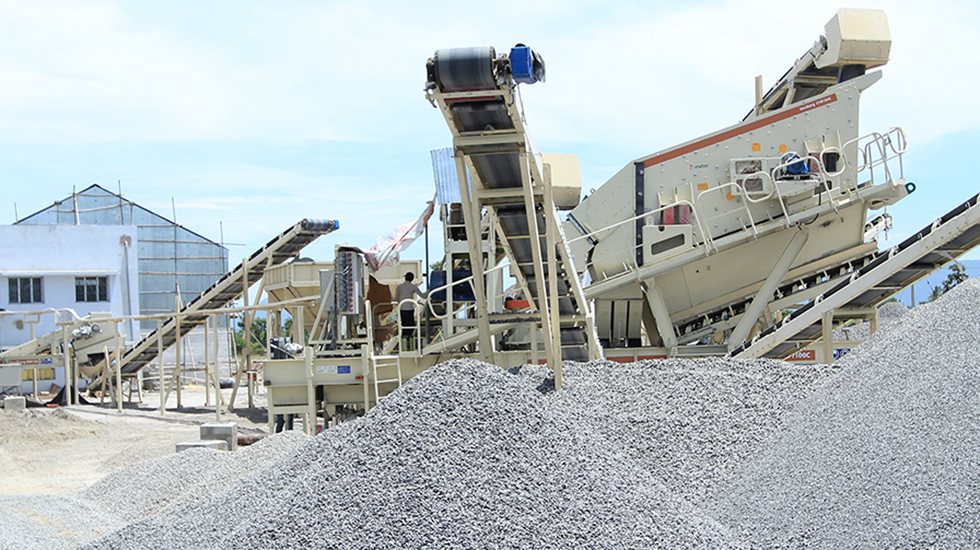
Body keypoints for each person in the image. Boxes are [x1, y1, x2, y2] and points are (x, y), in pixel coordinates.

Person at [395, 272, 426, 349]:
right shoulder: (413, 287)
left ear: (405, 278)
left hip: (401, 308)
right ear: (412, 279)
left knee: (403, 326)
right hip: (409, 308)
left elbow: (396, 298)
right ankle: (410, 344)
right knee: (410, 326)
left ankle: (403, 346)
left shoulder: (399, 287)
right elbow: (423, 295)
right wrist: (429, 291)